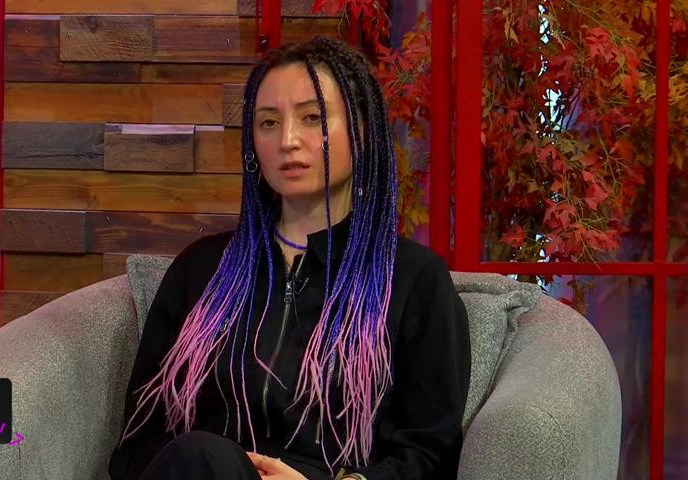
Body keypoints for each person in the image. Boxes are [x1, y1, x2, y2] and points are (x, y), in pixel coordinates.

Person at [108, 37, 471, 480]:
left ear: (363, 132)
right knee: (201, 456)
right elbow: (138, 441)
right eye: (268, 122)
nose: (287, 140)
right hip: (199, 472)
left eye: (312, 117)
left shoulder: (413, 279)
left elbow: (431, 456)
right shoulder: (202, 270)